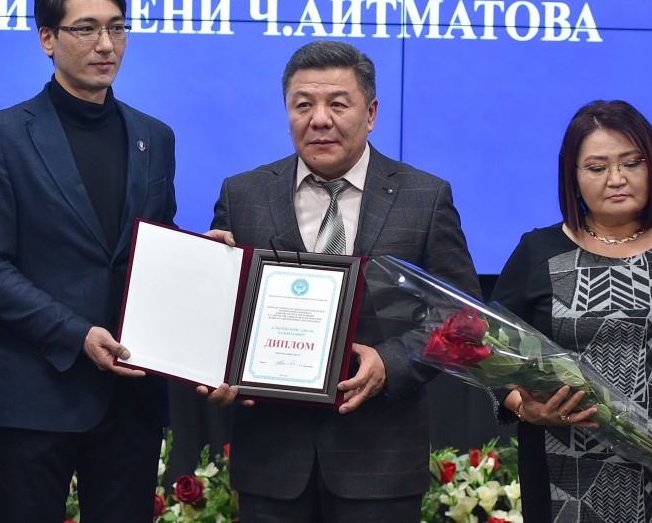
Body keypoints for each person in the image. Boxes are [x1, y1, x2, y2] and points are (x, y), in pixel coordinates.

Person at [204, 40, 480, 522]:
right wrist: (209, 287)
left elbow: (466, 320)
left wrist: (390, 364)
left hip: (380, 462)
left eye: (338, 104)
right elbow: (222, 312)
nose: (319, 119)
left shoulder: (424, 196)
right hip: (271, 462)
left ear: (370, 113)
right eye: (303, 105)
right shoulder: (243, 194)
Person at [0, 0, 175, 522]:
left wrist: (203, 256)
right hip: (36, 393)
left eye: (117, 28)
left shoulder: (154, 136)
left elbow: (154, 251)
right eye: (86, 29)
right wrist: (76, 334)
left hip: (132, 395)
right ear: (47, 39)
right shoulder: (2, 136)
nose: (106, 44)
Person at [491, 100, 652, 522]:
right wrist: (523, 406)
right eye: (597, 167)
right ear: (572, 176)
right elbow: (490, 352)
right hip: (564, 476)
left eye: (631, 163)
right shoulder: (538, 252)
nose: (616, 179)